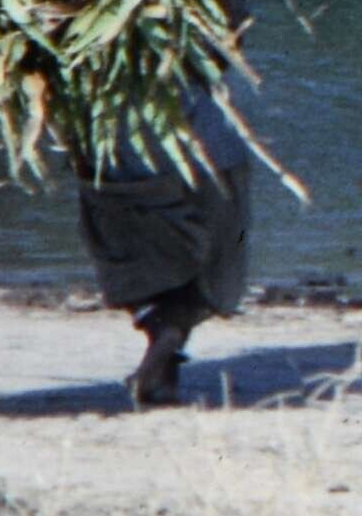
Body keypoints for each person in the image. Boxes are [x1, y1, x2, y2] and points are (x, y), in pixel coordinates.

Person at [78, 111, 259, 412]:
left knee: (132, 256)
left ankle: (165, 340)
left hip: (139, 155)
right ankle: (164, 368)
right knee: (207, 267)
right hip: (217, 154)